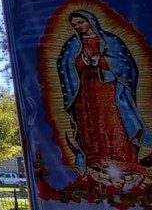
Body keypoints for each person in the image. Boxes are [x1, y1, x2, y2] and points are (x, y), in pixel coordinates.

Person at [57, 10, 152, 175]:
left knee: (113, 120)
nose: (78, 26)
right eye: (75, 25)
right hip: (84, 91)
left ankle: (124, 159)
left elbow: (125, 64)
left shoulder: (110, 40)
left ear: (90, 20)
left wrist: (101, 60)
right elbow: (65, 66)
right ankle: (95, 157)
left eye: (81, 22)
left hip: (109, 89)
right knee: (89, 122)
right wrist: (81, 62)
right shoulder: (72, 44)